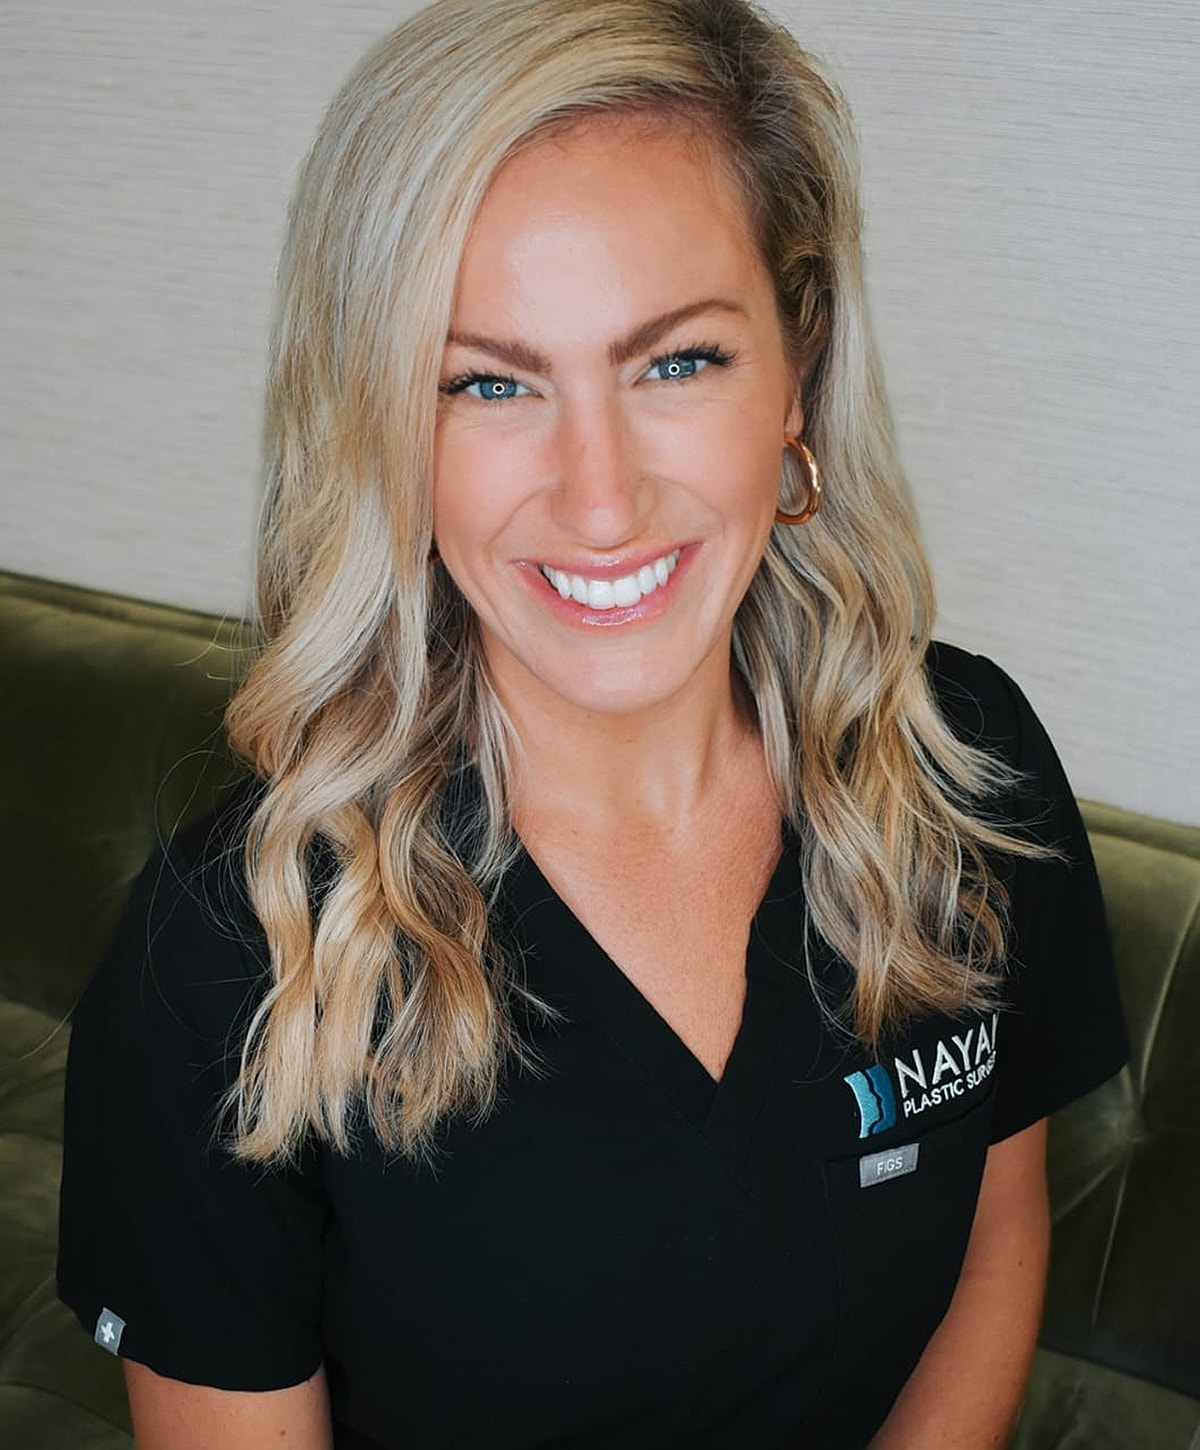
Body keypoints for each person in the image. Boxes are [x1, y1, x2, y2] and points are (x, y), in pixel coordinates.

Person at [57, 0, 1128, 1446]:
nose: (601, 496)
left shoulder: (967, 771)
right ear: (384, 427)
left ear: (795, 369)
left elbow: (994, 1248)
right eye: (490, 382)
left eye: (675, 361)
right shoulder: (229, 956)